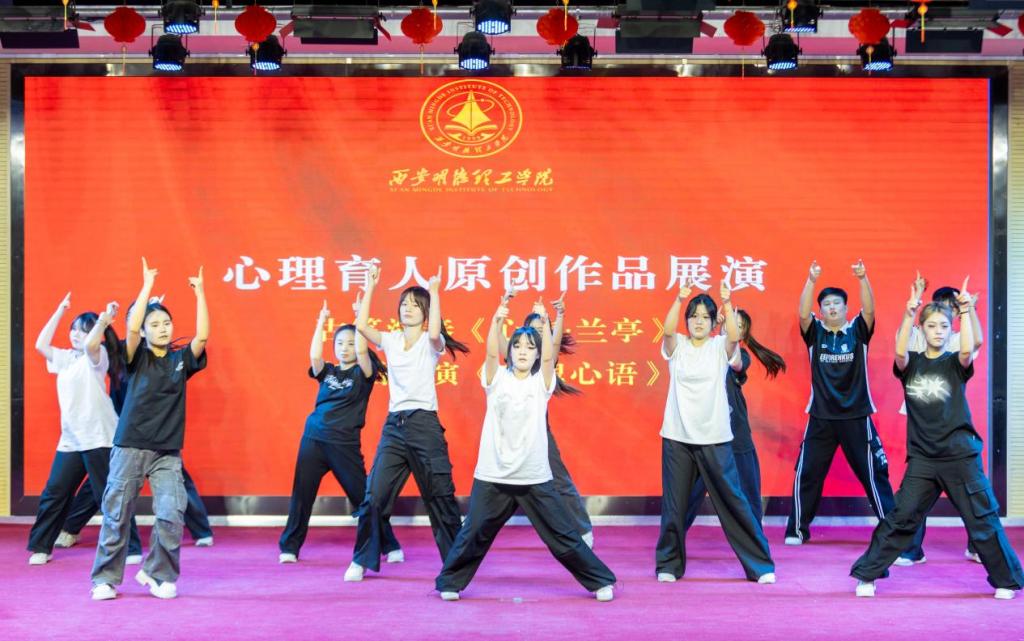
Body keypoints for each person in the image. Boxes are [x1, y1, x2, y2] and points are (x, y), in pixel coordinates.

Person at [850, 278, 1024, 599]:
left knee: (982, 519)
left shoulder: (956, 364)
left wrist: (966, 310)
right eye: (932, 326)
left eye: (944, 326)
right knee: (901, 517)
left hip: (960, 456)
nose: (939, 331)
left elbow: (968, 348)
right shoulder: (911, 364)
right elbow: (899, 350)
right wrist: (908, 313)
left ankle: (1006, 581)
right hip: (923, 459)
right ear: (923, 330)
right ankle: (867, 575)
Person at [435, 296, 616, 601]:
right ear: (509, 351)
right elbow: (490, 352)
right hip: (493, 475)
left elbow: (549, 356)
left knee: (562, 535)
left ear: (537, 354)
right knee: (473, 533)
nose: (522, 351)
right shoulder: (495, 378)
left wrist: (546, 322)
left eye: (530, 347)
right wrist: (497, 318)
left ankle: (599, 581)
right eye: (517, 346)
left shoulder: (541, 382)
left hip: (534, 477)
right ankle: (450, 583)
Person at [90, 259, 208, 600]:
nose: (163, 328)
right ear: (144, 331)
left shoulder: (181, 360)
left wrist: (200, 293)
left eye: (167, 323)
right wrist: (146, 288)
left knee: (172, 513)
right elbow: (130, 329)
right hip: (130, 447)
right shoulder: (136, 357)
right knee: (117, 515)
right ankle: (104, 580)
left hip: (167, 452)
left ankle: (158, 573)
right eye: (154, 324)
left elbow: (202, 336)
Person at [345, 265, 467, 582]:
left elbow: (437, 333)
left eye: (415, 305)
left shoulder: (430, 342)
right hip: (395, 427)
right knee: (374, 495)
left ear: (425, 313)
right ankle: (361, 559)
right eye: (404, 304)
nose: (407, 309)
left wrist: (435, 292)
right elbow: (361, 326)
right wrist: (371, 287)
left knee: (440, 496)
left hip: (424, 424)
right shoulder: (391, 340)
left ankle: (455, 569)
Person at [655, 280, 776, 584]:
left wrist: (727, 302)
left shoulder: (720, 347)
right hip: (677, 439)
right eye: (693, 316)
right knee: (675, 505)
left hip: (716, 438)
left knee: (734, 502)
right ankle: (668, 564)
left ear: (713, 323)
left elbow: (734, 336)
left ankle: (760, 566)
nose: (698, 321)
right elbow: (667, 331)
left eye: (705, 317)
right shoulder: (677, 346)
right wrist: (679, 298)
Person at [278, 297, 402, 564]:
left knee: (364, 498)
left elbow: (362, 351)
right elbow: (314, 356)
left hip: (343, 444)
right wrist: (321, 322)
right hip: (313, 440)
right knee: (302, 496)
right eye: (340, 343)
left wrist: (360, 319)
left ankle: (389, 545)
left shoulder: (364, 373)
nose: (345, 348)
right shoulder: (328, 372)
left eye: (350, 343)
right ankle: (290, 547)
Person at [785, 260, 897, 547]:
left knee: (874, 475)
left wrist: (863, 278)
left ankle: (894, 534)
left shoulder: (858, 331)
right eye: (827, 305)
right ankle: (796, 530)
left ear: (846, 308)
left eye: (837, 303)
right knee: (807, 473)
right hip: (821, 417)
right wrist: (811, 281)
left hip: (856, 416)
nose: (832, 308)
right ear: (821, 311)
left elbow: (870, 310)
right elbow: (802, 314)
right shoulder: (816, 333)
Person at [27, 294, 141, 565]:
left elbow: (91, 343)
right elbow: (40, 344)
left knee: (109, 496)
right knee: (55, 492)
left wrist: (103, 320)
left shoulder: (98, 356)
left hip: (100, 436)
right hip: (71, 439)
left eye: (83, 330)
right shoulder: (65, 358)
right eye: (74, 329)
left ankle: (131, 547)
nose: (76, 334)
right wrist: (60, 310)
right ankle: (41, 547)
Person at [683, 308, 785, 531]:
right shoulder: (701, 351)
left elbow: (735, 361)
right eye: (729, 323)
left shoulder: (740, 356)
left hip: (735, 433)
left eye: (738, 327)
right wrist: (711, 328)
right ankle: (673, 539)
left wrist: (729, 338)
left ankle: (756, 538)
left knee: (748, 490)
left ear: (742, 335)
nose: (732, 329)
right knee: (690, 493)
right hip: (704, 434)